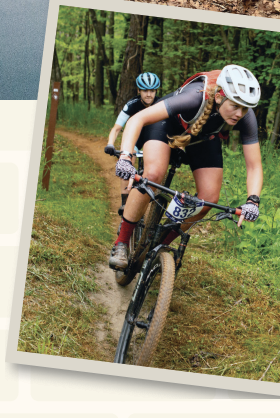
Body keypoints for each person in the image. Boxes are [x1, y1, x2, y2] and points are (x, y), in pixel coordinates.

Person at [109, 64, 263, 270]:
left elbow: (254, 166)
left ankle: (161, 245)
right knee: (153, 174)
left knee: (208, 199)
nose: (239, 114)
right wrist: (126, 157)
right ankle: (121, 242)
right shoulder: (194, 97)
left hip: (202, 138)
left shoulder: (245, 116)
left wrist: (253, 201)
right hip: (164, 126)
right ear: (219, 97)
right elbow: (137, 119)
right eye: (235, 106)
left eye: (245, 108)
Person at [106, 72, 166, 239]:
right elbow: (116, 128)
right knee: (127, 160)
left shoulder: (162, 104)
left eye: (153, 91)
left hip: (152, 142)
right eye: (145, 90)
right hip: (135, 142)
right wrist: (111, 144)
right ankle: (126, 204)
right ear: (139, 90)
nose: (149, 94)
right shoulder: (132, 105)